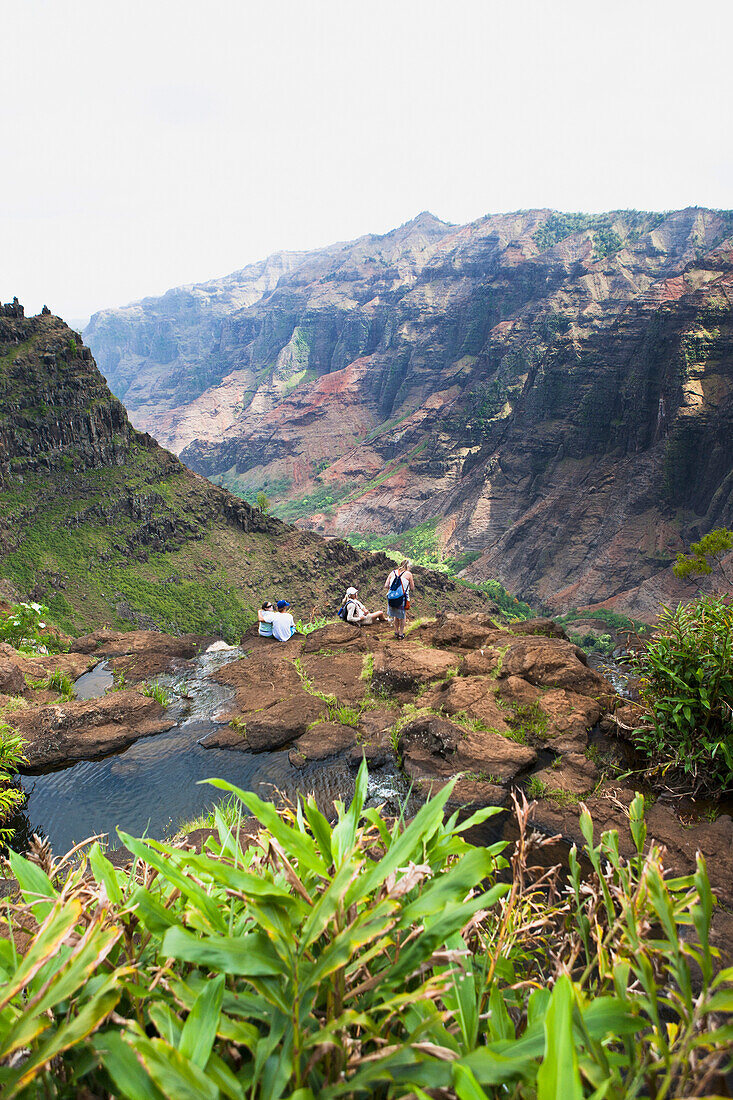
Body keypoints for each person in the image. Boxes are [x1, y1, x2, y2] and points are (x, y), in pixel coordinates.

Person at [384, 559, 414, 639]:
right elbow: (412, 587)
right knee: (402, 616)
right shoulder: (408, 574)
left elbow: (386, 585)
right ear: (407, 566)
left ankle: (396, 632)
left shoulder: (392, 572)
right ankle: (401, 634)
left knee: (395, 615)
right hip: (402, 597)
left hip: (392, 597)